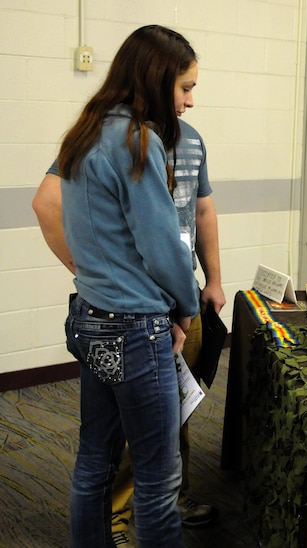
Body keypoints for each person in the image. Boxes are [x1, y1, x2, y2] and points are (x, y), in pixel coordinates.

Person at [33, 77, 224, 548]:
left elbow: (198, 214)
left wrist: (89, 272)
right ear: (157, 79)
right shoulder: (139, 139)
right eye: (185, 85)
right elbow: (161, 245)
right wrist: (183, 307)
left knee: (94, 459)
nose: (191, 99)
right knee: (158, 479)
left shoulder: (89, 129)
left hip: (95, 314)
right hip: (139, 322)